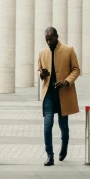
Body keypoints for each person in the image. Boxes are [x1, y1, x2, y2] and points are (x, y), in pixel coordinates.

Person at [37, 27, 81, 166]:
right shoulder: (42, 52)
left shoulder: (69, 50)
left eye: (50, 39)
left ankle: (64, 147)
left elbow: (76, 69)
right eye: (46, 40)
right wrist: (41, 74)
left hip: (63, 94)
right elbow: (39, 69)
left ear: (57, 36)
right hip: (49, 94)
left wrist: (67, 81)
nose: (48, 42)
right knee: (47, 124)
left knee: (63, 125)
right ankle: (49, 155)